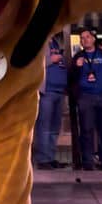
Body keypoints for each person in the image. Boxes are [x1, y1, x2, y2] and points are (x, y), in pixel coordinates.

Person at [69, 30, 102, 171]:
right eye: (82, 38)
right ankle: (87, 161)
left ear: (93, 39)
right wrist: (77, 67)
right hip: (86, 98)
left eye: (87, 37)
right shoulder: (78, 57)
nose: (85, 40)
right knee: (86, 130)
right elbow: (71, 78)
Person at [34, 35, 67, 170]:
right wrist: (50, 59)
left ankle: (50, 157)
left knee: (54, 129)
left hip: (59, 92)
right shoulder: (39, 40)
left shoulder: (55, 43)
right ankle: (42, 159)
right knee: (44, 127)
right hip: (46, 91)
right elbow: (33, 61)